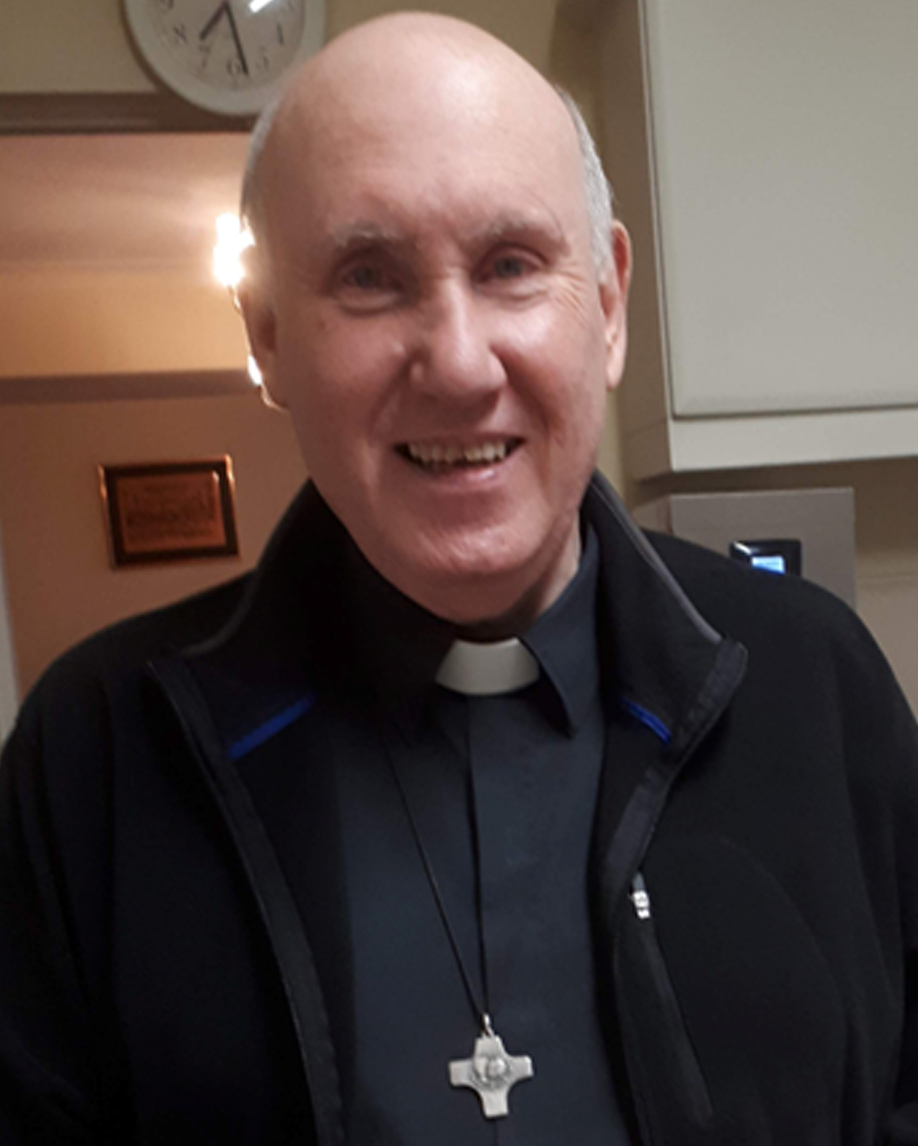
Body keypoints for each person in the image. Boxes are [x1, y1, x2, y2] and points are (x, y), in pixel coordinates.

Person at [2, 11, 917, 1145]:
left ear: (609, 304)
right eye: (369, 277)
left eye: (512, 266)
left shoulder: (817, 686)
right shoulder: (94, 758)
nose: (458, 363)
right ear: (269, 338)